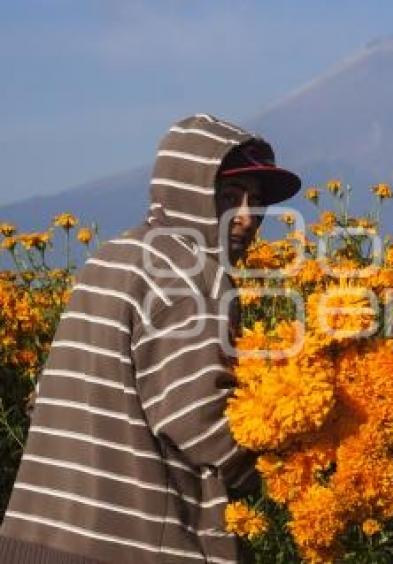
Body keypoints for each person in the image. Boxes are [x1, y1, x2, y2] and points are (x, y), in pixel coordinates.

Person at [0, 114, 301, 563]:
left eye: (255, 203)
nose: (246, 219)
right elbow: (198, 421)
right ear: (190, 195)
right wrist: (291, 461)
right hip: (130, 543)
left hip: (40, 532)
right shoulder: (191, 273)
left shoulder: (113, 256)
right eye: (228, 198)